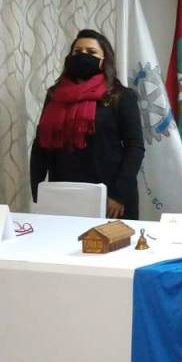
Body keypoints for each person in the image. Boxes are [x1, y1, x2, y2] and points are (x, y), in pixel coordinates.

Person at [30, 29, 145, 219]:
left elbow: (135, 147)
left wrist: (118, 194)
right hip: (63, 195)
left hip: (111, 198)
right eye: (77, 51)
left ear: (104, 60)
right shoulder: (55, 95)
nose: (83, 55)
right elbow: (40, 144)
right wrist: (38, 190)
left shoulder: (120, 96)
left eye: (91, 52)